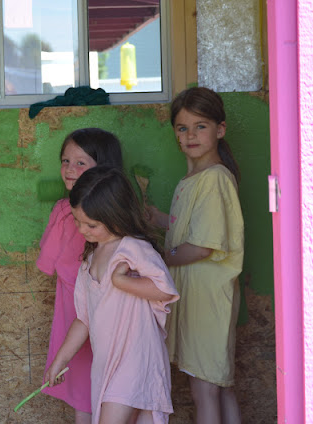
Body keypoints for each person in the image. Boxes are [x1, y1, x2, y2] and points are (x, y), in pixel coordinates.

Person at [45, 166, 179, 424]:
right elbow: (83, 319)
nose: (82, 230)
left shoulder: (133, 248)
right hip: (107, 363)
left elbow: (164, 289)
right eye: (77, 221)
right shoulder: (89, 261)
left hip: (137, 359)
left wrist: (121, 281)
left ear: (115, 217)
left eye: (91, 225)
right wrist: (60, 358)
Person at [148, 87, 244, 424]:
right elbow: (193, 228)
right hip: (198, 299)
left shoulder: (214, 178)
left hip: (208, 301)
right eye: (182, 128)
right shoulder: (195, 178)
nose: (190, 135)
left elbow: (202, 246)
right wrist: (159, 219)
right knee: (217, 386)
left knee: (205, 389)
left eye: (200, 126)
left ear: (220, 129)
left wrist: (160, 258)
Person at [37, 128, 123, 423]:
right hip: (113, 312)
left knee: (83, 384)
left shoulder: (65, 211)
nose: (70, 169)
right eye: (65, 161)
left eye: (80, 162)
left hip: (75, 311)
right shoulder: (121, 214)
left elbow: (46, 264)